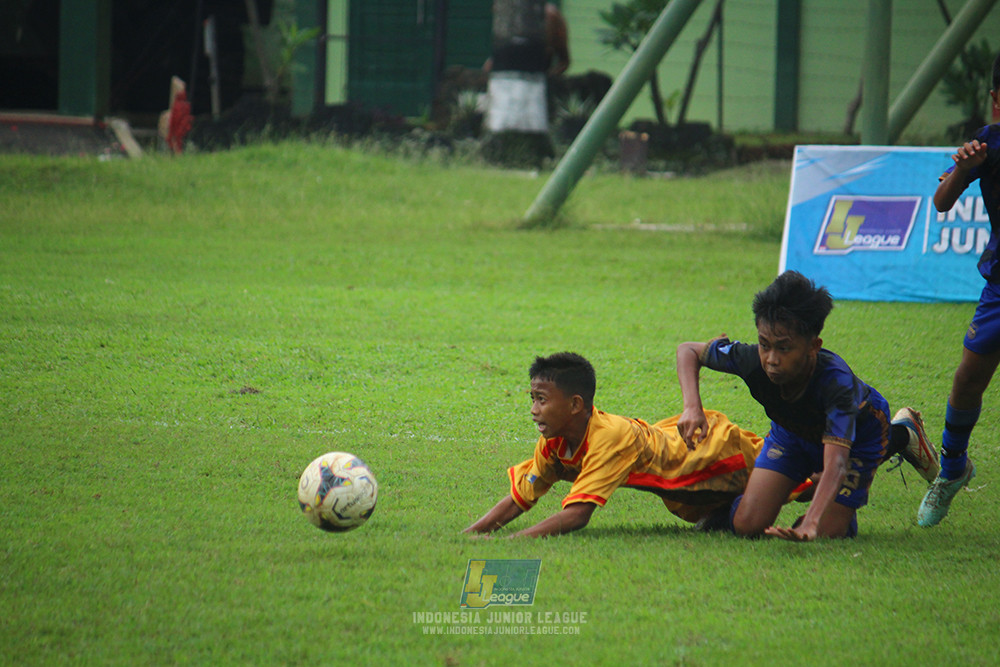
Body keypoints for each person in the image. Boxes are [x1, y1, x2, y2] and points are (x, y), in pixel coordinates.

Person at [676, 271, 939, 541]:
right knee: (746, 524)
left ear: (814, 346)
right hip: (791, 435)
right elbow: (688, 351)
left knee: (827, 532)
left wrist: (812, 522)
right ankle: (785, 495)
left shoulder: (837, 385)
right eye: (764, 345)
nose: (771, 359)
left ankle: (901, 435)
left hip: (858, 441)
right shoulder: (751, 359)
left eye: (784, 349)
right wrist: (692, 408)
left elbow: (837, 463)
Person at [464, 352, 797, 538]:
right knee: (736, 517)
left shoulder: (608, 437)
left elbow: (578, 514)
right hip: (684, 477)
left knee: (798, 480)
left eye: (542, 400)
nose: (534, 409)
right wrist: (474, 534)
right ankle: (725, 513)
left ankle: (837, 503)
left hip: (712, 455)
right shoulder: (553, 441)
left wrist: (516, 541)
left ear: (576, 405)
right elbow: (522, 494)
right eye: (532, 398)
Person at [922, 55, 1000, 526]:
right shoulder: (990, 144)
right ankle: (952, 469)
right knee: (969, 376)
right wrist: (962, 170)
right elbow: (943, 201)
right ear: (996, 100)